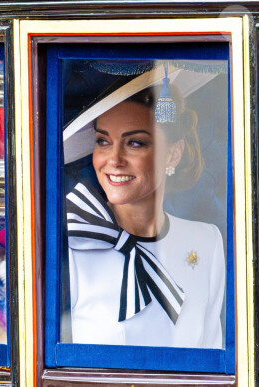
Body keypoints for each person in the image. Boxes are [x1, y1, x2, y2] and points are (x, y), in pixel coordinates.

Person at [64, 66, 226, 349]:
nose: (113, 159)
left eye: (135, 143)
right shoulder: (74, 241)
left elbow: (213, 356)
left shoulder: (206, 242)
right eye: (103, 141)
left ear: (173, 153)